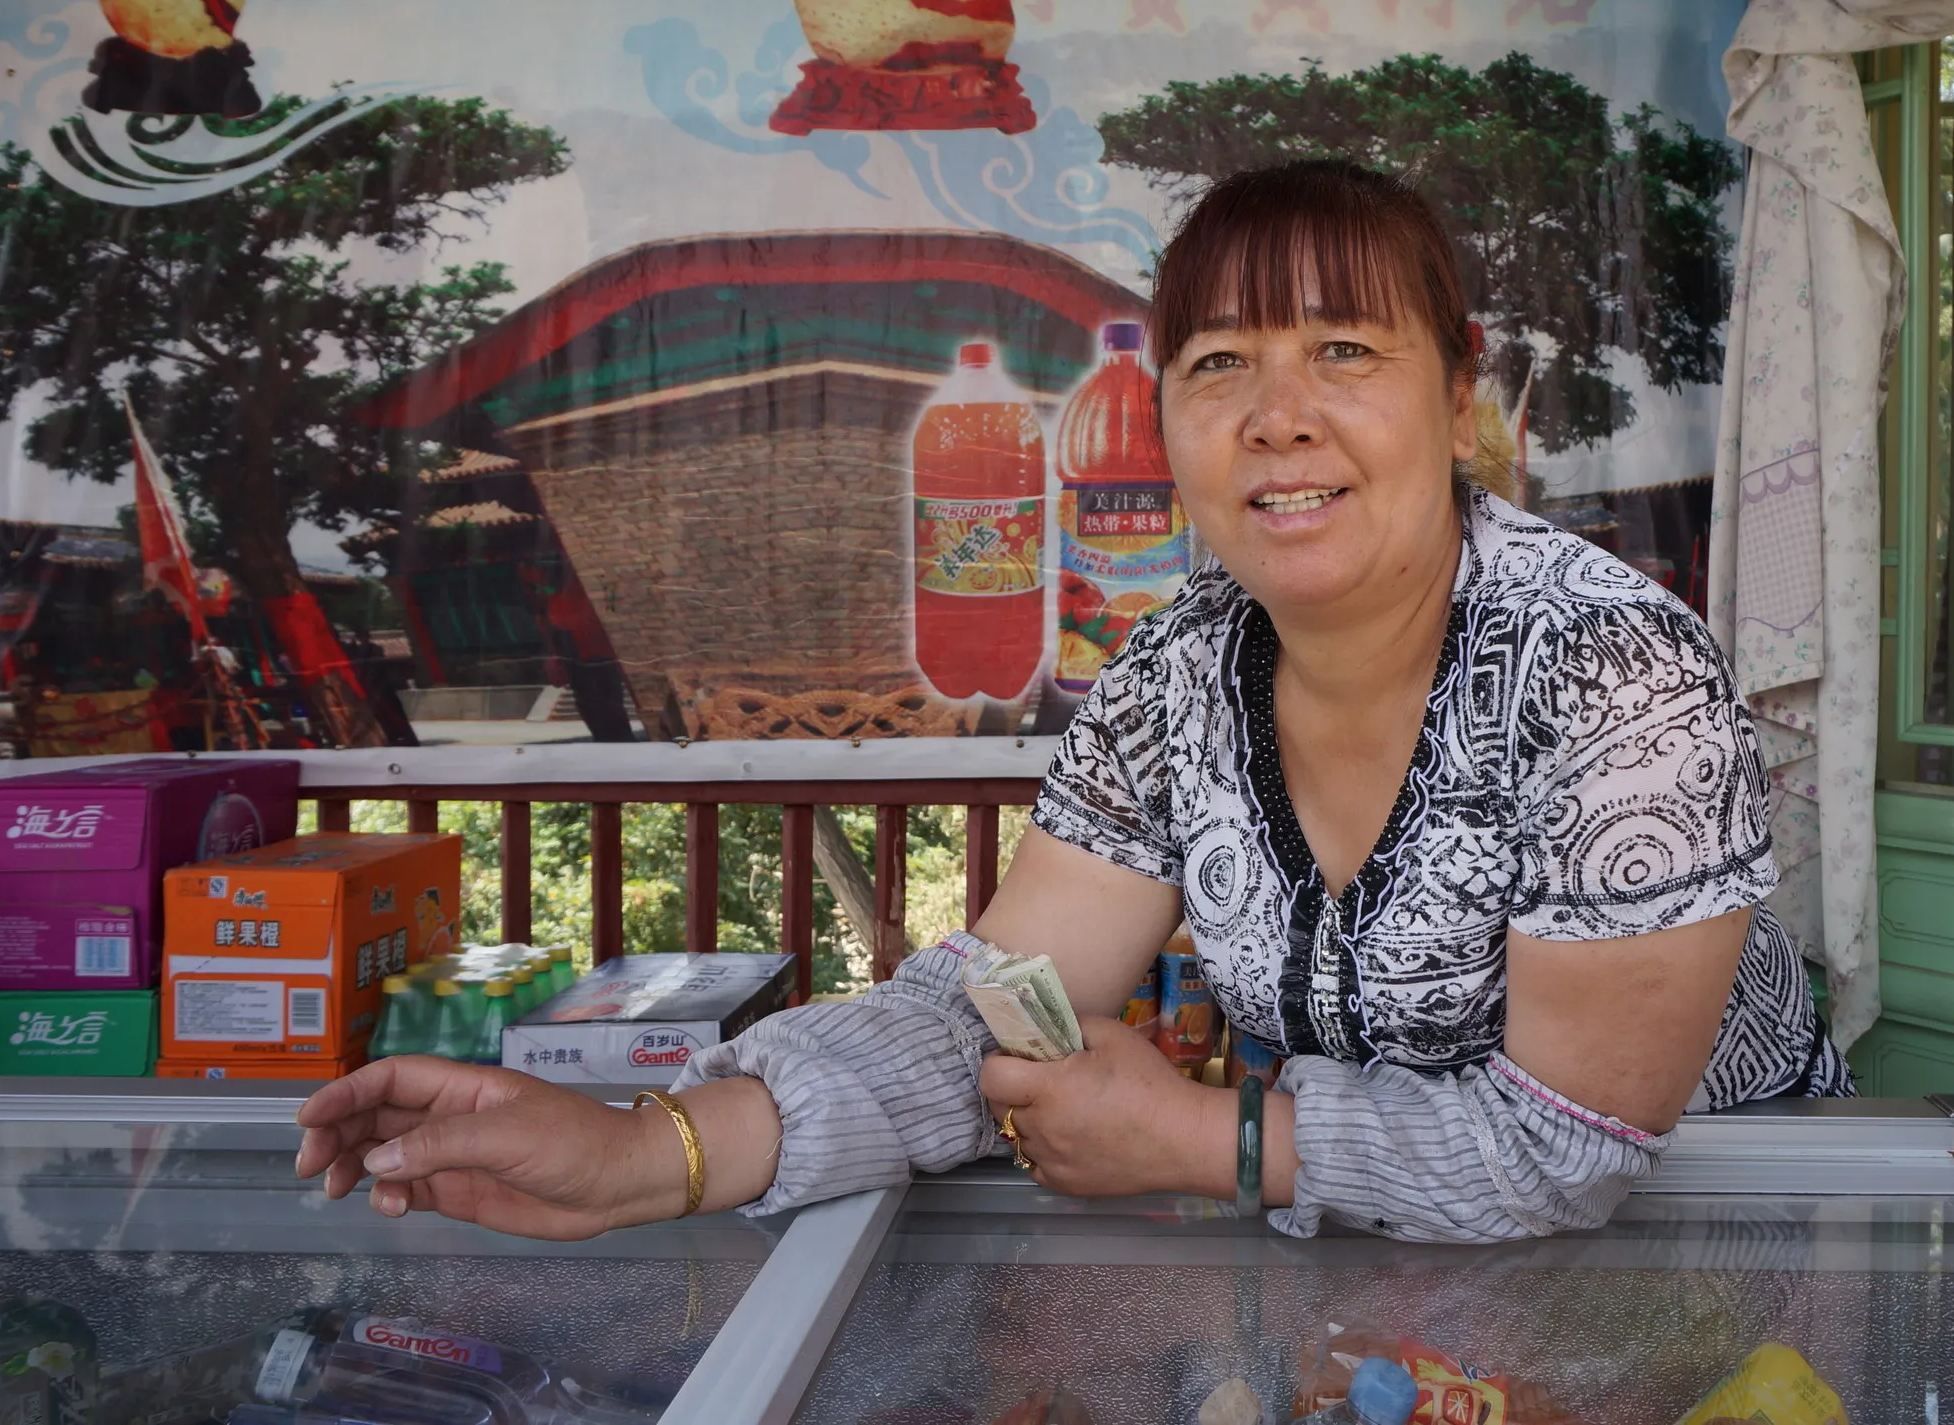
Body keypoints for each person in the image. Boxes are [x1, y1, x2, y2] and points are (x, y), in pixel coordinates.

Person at [294, 160, 1851, 1245]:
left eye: (1344, 351)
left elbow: (1566, 1151)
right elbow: (989, 1003)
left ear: (1458, 395)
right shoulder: (1176, 672)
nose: (1278, 417)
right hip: (1396, 1267)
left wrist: (1200, 1140)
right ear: (1159, 418)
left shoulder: (1608, 671)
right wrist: (649, 1151)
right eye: (1220, 363)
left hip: (1728, 1241)